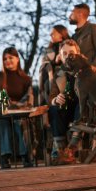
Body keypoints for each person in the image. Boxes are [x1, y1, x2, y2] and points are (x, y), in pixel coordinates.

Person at [0, 47, 34, 169]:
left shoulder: (26, 79)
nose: (7, 61)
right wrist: (10, 104)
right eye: (5, 58)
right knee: (2, 122)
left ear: (17, 59)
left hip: (20, 113)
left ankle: (25, 156)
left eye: (10, 58)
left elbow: (28, 99)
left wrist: (16, 106)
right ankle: (4, 158)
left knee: (20, 122)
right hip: (1, 112)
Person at [39, 25, 70, 165]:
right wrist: (54, 62)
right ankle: (58, 149)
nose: (51, 36)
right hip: (53, 86)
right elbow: (43, 66)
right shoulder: (49, 50)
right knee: (54, 110)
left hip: (68, 84)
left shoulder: (70, 46)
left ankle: (65, 150)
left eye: (53, 33)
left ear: (62, 34)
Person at [48, 39, 80, 165]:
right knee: (54, 108)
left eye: (71, 53)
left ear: (78, 53)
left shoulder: (89, 70)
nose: (68, 56)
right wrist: (56, 100)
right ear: (60, 57)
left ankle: (71, 148)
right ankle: (61, 151)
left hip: (83, 112)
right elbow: (51, 98)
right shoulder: (58, 74)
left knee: (81, 102)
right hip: (66, 111)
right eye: (64, 54)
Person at [69, 3, 96, 74]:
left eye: (72, 12)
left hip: (93, 78)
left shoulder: (95, 29)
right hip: (78, 78)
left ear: (80, 14)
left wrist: (90, 68)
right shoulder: (74, 36)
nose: (69, 16)